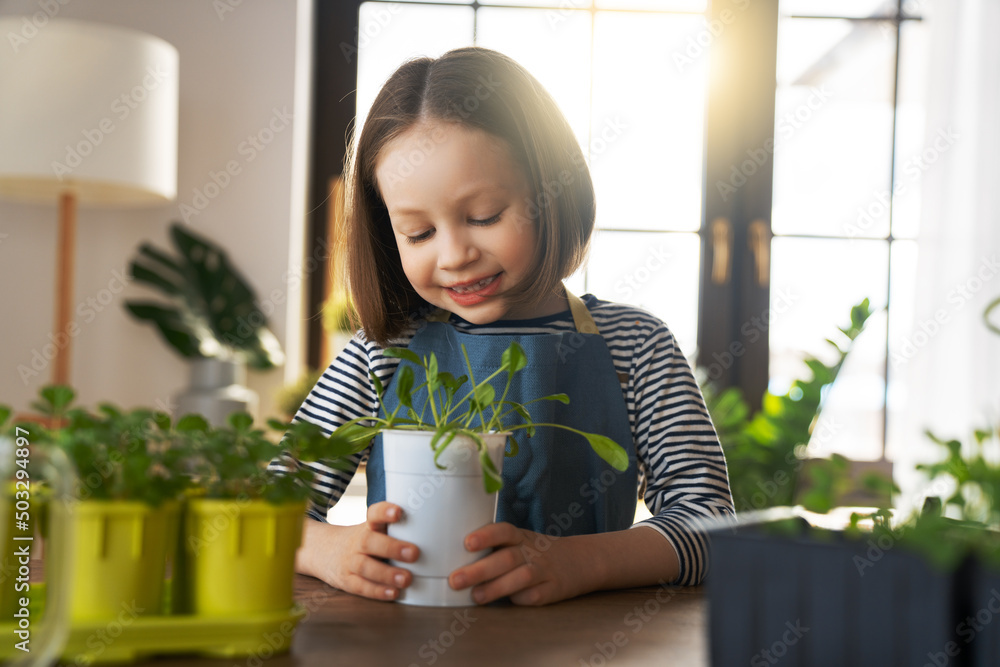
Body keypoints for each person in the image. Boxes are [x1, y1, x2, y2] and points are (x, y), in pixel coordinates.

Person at [269, 46, 734, 606]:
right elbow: (266, 508)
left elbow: (712, 526)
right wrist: (324, 550)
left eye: (484, 216)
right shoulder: (382, 351)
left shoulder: (635, 345)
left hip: (586, 643)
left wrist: (582, 562)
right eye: (418, 233)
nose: (455, 254)